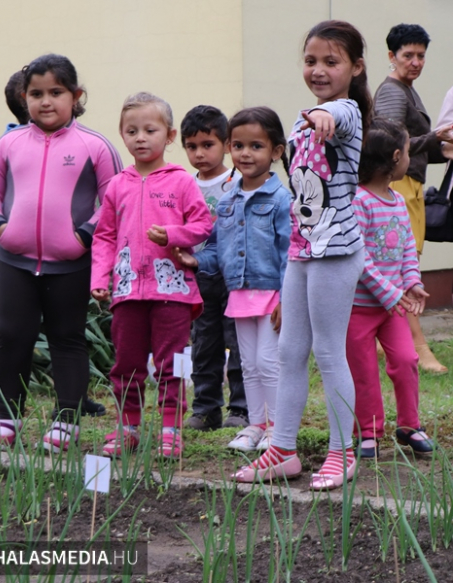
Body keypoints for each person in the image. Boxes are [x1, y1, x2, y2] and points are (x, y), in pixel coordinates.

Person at [234, 20, 371, 490]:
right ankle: (283, 450)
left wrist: (326, 114)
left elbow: (339, 115)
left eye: (331, 62)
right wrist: (314, 116)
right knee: (289, 351)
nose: (318, 70)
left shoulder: (346, 111)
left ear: (355, 67)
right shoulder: (300, 119)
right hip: (303, 249)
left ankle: (341, 452)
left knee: (329, 351)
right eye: (311, 61)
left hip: (337, 252)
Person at [0, 54, 122, 452]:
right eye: (36, 93)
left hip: (71, 263)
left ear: (76, 96)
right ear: (24, 97)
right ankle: (7, 419)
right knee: (12, 337)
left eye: (56, 92)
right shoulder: (8, 143)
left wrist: (83, 237)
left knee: (67, 338)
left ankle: (66, 420)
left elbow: (114, 199)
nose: (46, 101)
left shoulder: (95, 146)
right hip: (14, 261)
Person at [91, 92, 213, 459]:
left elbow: (203, 224)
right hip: (127, 292)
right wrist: (99, 277)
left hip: (172, 293)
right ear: (122, 135)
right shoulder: (117, 185)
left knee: (171, 363)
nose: (140, 138)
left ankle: (171, 429)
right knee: (125, 364)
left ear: (170, 136)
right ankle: (127, 426)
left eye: (150, 130)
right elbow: (105, 236)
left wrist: (174, 235)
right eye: (132, 131)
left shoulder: (182, 182)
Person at [174, 106, 291, 452]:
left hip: (271, 295)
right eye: (238, 146)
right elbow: (217, 248)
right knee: (249, 364)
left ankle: (277, 429)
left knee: (268, 363)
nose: (246, 154)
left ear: (276, 151)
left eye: (256, 146)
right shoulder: (227, 202)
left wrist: (288, 298)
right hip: (239, 294)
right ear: (230, 147)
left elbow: (290, 253)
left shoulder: (282, 200)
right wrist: (195, 260)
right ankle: (255, 425)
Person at [347, 117, 435, 458]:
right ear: (396, 157)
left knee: (407, 360)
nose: (409, 159)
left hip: (394, 307)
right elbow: (359, 258)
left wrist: (412, 282)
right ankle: (368, 432)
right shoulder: (358, 202)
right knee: (364, 370)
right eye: (409, 152)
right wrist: (390, 292)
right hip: (359, 308)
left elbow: (407, 249)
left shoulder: (397, 201)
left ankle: (409, 426)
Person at [374, 23, 453, 374]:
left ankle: (387, 343)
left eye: (421, 55)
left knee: (403, 265)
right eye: (408, 55)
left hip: (410, 183)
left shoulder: (406, 89)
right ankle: (417, 347)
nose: (416, 62)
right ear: (392, 56)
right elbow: (391, 143)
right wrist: (436, 137)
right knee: (403, 267)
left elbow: (414, 147)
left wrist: (441, 146)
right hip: (399, 186)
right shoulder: (393, 91)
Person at [180, 105, 248, 431]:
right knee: (204, 345)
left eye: (208, 145)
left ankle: (242, 409)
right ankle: (206, 409)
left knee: (239, 342)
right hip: (200, 276)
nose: (199, 154)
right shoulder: (184, 185)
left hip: (235, 276)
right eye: (191, 146)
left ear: (226, 144)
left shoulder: (238, 182)